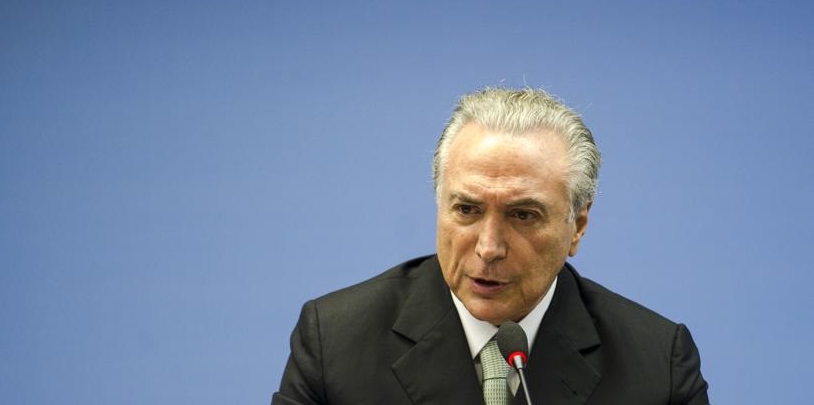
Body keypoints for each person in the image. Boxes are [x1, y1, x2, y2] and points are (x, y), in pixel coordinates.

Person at [272, 88, 709, 405]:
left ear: (577, 226)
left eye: (523, 215)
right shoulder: (335, 341)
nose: (489, 247)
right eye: (467, 209)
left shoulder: (658, 366)